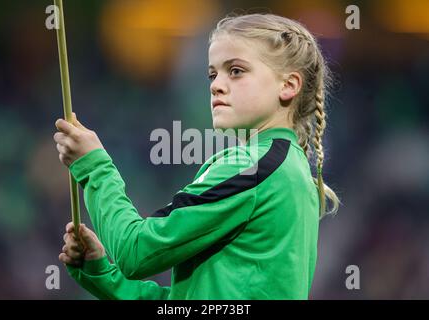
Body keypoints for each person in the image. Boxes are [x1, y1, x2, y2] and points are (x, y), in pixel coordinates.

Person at [53, 13, 340, 300]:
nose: (216, 85)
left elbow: (135, 252)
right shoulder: (290, 168)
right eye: (212, 74)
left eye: (236, 70)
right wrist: (101, 274)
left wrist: (94, 167)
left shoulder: (254, 167)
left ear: (288, 85)